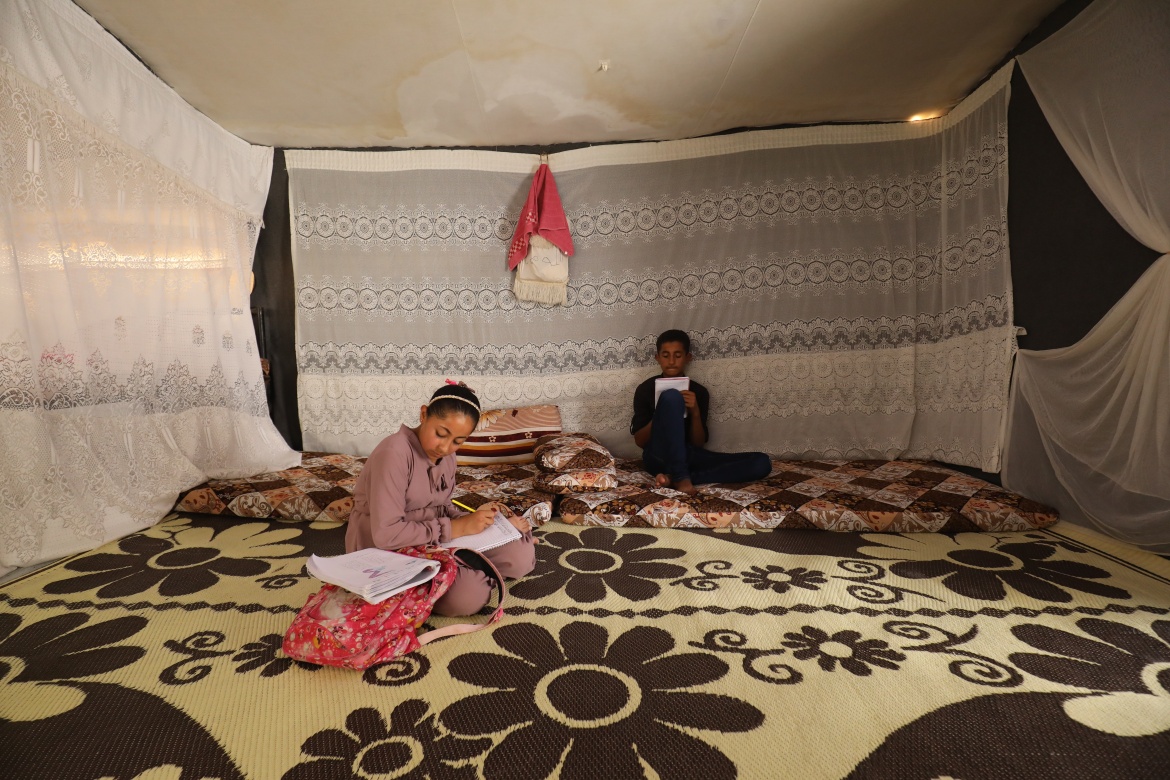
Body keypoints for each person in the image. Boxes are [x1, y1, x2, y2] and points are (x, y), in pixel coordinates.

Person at [346, 381, 535, 616]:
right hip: (386, 551)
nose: (446, 447)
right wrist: (455, 528)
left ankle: (466, 566)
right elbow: (387, 535)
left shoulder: (447, 456)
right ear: (424, 414)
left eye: (458, 441)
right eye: (441, 434)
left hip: (433, 541)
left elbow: (443, 507)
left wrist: (491, 528)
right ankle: (470, 571)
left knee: (520, 556)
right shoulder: (393, 453)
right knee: (467, 596)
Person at [630, 329, 772, 494]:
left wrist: (695, 412)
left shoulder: (699, 391)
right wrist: (661, 413)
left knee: (761, 463)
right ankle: (682, 478)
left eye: (677, 355)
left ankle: (673, 478)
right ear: (657, 357)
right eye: (665, 355)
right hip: (657, 455)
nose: (671, 361)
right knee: (672, 397)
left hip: (688, 454)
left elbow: (698, 443)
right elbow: (640, 441)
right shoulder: (645, 389)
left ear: (687, 357)